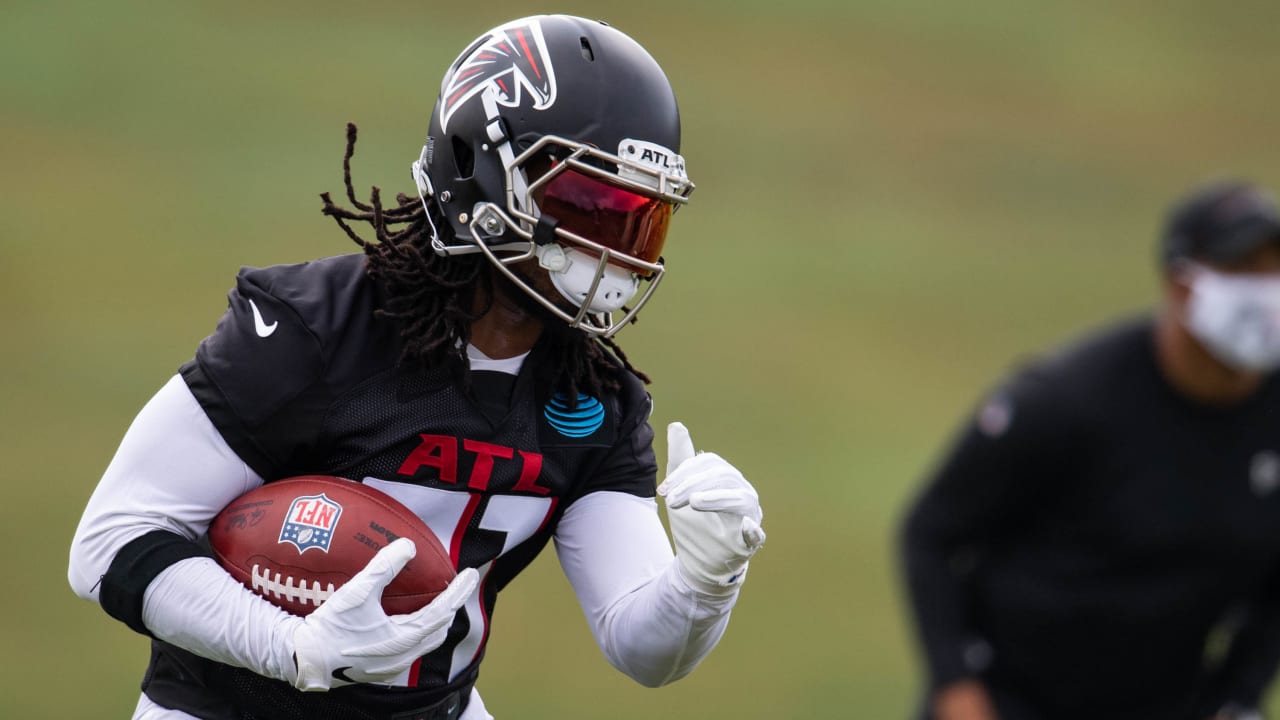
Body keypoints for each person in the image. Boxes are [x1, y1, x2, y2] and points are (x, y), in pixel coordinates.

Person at [68, 15, 766, 720]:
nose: (610, 249)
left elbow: (644, 649)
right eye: (585, 204)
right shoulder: (320, 328)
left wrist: (705, 582)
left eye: (636, 218)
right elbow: (112, 540)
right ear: (478, 168)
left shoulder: (593, 398)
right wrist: (290, 646)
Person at [900, 179, 1280, 720]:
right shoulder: (1067, 400)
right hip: (1013, 698)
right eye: (1243, 270)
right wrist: (957, 690)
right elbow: (931, 535)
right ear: (1181, 283)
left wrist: (1237, 699)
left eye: (1274, 272)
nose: (1265, 292)